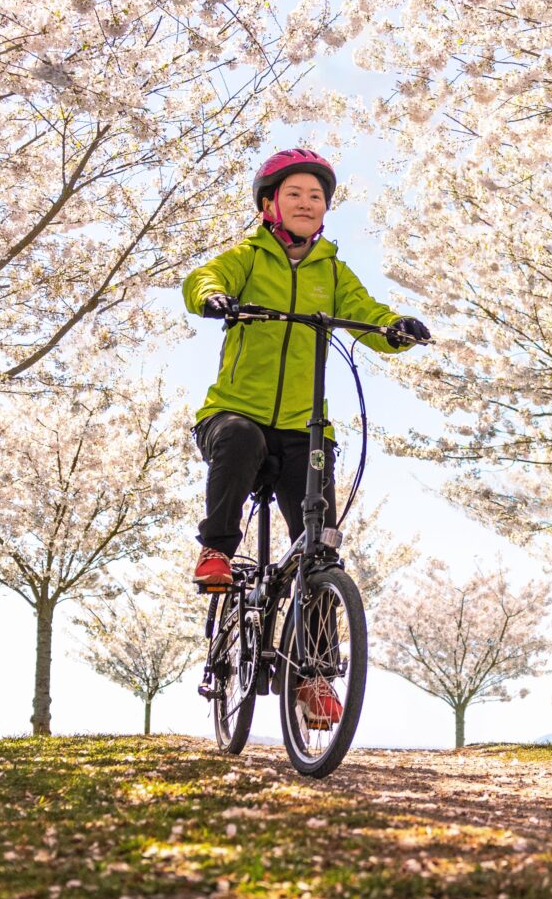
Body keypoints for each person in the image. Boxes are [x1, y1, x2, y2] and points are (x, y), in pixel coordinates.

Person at [181, 147, 428, 605]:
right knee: (240, 437)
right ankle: (216, 548)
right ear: (268, 205)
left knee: (321, 553)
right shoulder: (248, 258)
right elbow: (205, 277)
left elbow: (365, 313)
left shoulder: (333, 273)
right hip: (235, 413)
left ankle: (314, 671)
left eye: (316, 196)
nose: (305, 202)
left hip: (303, 426)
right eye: (293, 193)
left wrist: (396, 329)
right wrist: (213, 297)